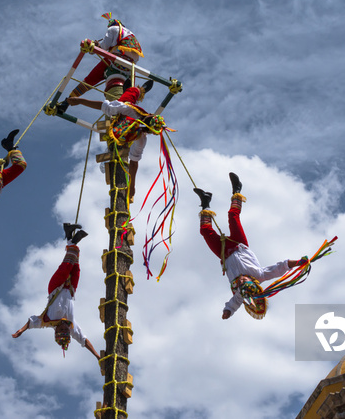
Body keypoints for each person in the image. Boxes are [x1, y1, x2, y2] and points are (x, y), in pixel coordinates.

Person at [194, 173, 308, 319]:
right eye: (244, 282)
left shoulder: (239, 293)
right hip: (239, 244)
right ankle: (237, 189)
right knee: (232, 216)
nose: (241, 281)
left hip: (223, 253)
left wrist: (227, 312)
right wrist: (299, 263)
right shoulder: (260, 275)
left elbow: (233, 304)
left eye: (240, 285)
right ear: (253, 283)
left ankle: (205, 201)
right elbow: (280, 268)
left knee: (205, 230)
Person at [12, 224, 101, 363]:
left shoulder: (47, 321)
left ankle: (71, 240)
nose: (65, 327)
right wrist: (97, 356)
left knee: (68, 261)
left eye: (62, 330)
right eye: (66, 330)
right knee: (76, 263)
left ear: (56, 330)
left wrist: (21, 330)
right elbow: (84, 341)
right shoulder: (72, 325)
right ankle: (70, 236)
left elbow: (31, 322)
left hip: (56, 286)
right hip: (71, 288)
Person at [66, 81, 167, 202]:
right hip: (124, 111)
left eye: (146, 130)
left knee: (130, 95)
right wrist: (80, 101)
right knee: (133, 92)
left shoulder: (141, 139)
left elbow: (134, 162)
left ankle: (132, 90)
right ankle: (141, 90)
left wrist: (132, 184)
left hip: (123, 132)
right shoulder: (128, 109)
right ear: (148, 115)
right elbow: (104, 106)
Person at [65, 13, 144, 102]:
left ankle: (69, 100)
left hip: (116, 59)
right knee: (130, 92)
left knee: (90, 79)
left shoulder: (112, 29)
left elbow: (104, 46)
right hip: (131, 66)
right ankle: (131, 103)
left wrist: (95, 47)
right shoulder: (131, 34)